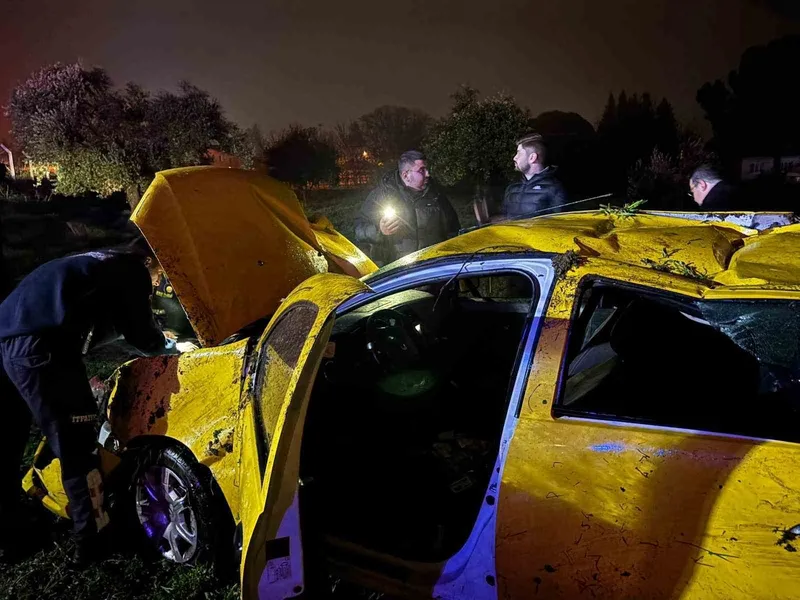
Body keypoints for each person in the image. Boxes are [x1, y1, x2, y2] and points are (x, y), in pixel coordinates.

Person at [0, 236, 177, 566]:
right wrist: (171, 347)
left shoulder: (99, 259)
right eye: (161, 274)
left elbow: (97, 318)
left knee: (9, 440)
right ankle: (93, 538)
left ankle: (12, 530)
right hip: (42, 348)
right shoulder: (132, 271)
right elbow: (141, 333)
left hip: (7, 336)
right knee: (77, 441)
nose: (159, 283)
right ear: (150, 260)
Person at [355, 150, 460, 266]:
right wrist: (379, 230)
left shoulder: (436, 195)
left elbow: (453, 230)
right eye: (422, 170)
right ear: (406, 175)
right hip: (397, 272)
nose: (428, 174)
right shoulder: (381, 195)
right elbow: (359, 230)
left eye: (427, 169)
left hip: (431, 269)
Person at [500, 134, 568, 219]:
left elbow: (558, 222)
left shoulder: (554, 189)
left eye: (519, 153)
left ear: (532, 158)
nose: (514, 158)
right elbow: (505, 217)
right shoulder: (512, 187)